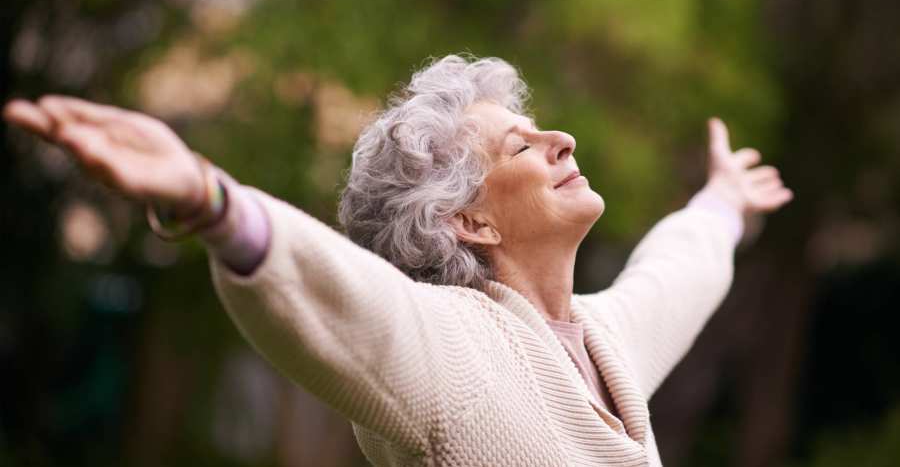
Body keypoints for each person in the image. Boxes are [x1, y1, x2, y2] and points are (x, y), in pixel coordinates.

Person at [4, 55, 792, 466]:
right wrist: (209, 201)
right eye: (522, 144)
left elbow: (675, 274)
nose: (565, 141)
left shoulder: (603, 339)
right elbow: (340, 300)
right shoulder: (452, 355)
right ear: (467, 220)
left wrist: (722, 202)